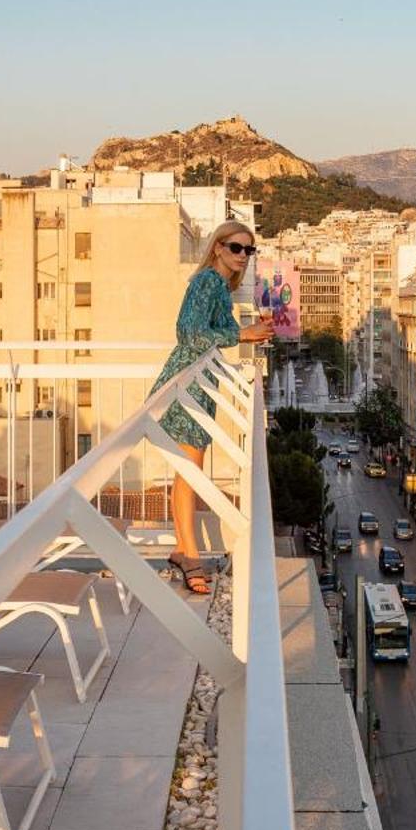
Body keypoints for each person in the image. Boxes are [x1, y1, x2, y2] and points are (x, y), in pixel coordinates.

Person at [154, 221, 272, 593]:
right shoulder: (207, 281)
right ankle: (189, 554)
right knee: (189, 471)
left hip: (199, 382)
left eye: (248, 251)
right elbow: (188, 333)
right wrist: (242, 334)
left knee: (189, 470)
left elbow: (209, 334)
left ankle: (183, 548)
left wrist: (250, 331)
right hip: (186, 380)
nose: (242, 256)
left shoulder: (221, 287)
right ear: (217, 247)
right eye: (236, 248)